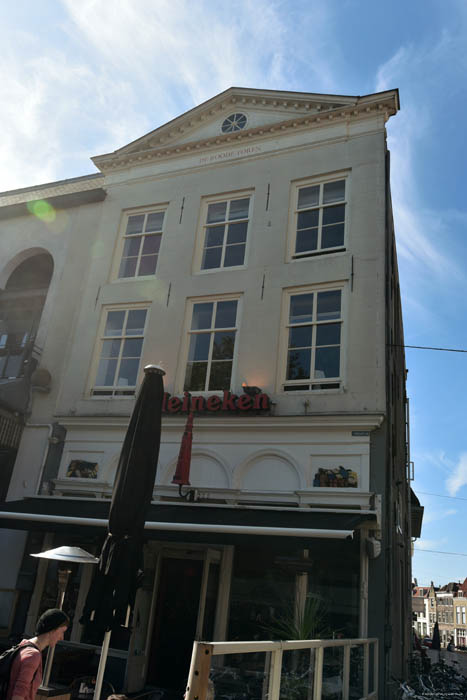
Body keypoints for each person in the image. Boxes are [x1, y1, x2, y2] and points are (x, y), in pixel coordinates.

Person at [7, 608, 70, 700]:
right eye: (62, 632)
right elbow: (19, 693)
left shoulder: (23, 645)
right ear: (52, 630)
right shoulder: (33, 655)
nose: (62, 638)